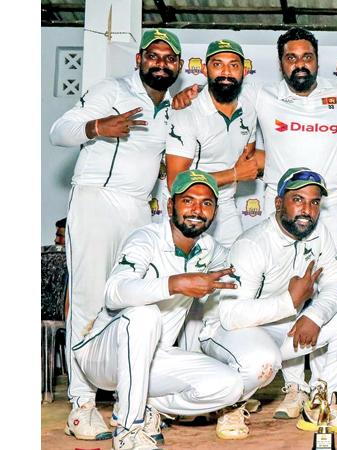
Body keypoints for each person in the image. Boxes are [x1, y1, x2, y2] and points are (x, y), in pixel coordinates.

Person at [172, 29, 337, 416]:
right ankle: (292, 388)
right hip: (283, 205)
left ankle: (322, 389)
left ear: (317, 60)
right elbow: (221, 92)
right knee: (278, 286)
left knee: (330, 289)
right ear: (281, 64)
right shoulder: (262, 95)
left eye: (306, 56)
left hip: (330, 205)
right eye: (291, 58)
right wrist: (186, 95)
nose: (300, 64)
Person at [49, 29, 183, 442]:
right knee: (89, 297)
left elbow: (168, 168)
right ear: (140, 58)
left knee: (134, 299)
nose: (161, 63)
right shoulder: (111, 89)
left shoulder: (172, 110)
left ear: (177, 66)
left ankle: (133, 402)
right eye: (154, 56)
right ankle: (82, 404)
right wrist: (97, 127)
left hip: (139, 208)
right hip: (96, 198)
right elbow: (59, 131)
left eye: (169, 58)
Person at [70, 170, 243, 450]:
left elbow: (242, 271)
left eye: (207, 203)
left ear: (215, 211)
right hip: (102, 355)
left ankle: (147, 404)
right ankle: (129, 430)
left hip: (153, 358)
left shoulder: (209, 250)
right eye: (188, 201)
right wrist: (175, 284)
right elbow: (115, 293)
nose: (197, 210)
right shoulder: (145, 239)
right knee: (144, 314)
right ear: (170, 205)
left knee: (229, 385)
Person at [199, 167, 337, 437]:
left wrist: (315, 315)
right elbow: (230, 315)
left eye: (314, 202)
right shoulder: (252, 244)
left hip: (282, 328)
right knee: (264, 361)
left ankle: (321, 402)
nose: (307, 210)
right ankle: (231, 406)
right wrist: (290, 302)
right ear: (278, 203)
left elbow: (336, 281)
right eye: (298, 200)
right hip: (228, 332)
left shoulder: (318, 232)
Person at [165, 39, 263, 248]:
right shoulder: (187, 114)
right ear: (204, 69)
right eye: (217, 64)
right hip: (189, 205)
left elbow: (247, 156)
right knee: (186, 274)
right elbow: (175, 182)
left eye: (233, 65)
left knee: (233, 272)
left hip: (225, 205)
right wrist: (234, 175)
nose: (226, 72)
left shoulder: (248, 108)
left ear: (244, 70)